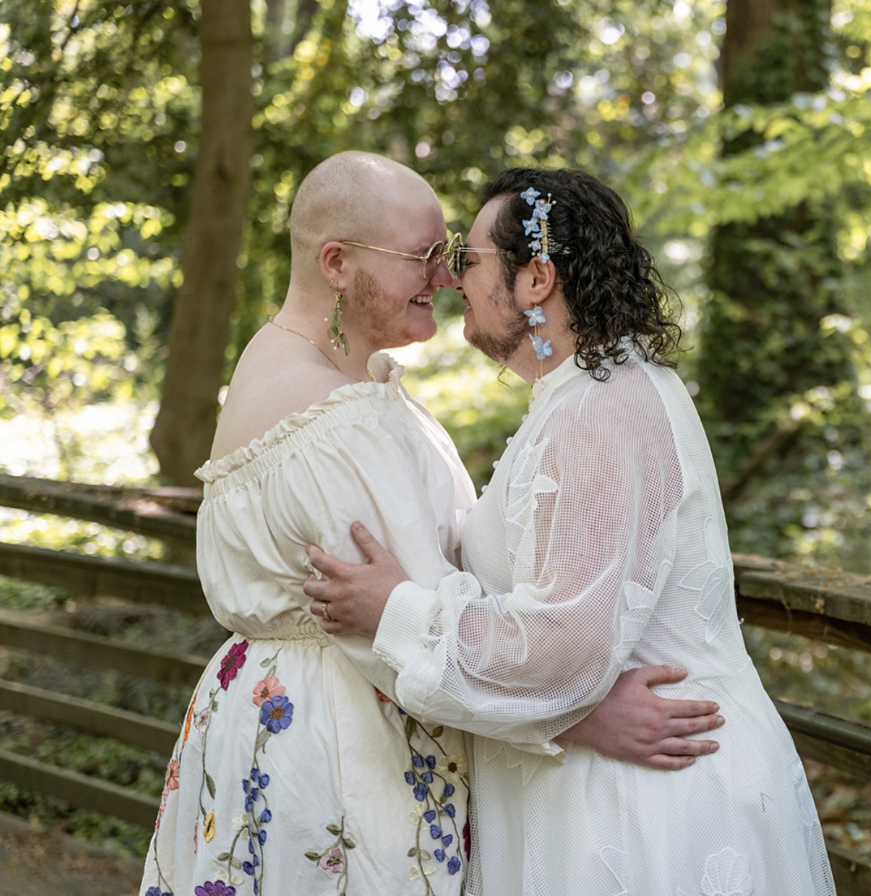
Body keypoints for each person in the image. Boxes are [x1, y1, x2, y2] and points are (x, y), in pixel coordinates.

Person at [140, 152, 721, 896]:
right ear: (338, 264)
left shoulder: (328, 377)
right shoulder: (330, 420)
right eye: (423, 256)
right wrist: (579, 716)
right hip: (339, 749)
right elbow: (393, 617)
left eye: (452, 255)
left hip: (316, 721)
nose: (446, 278)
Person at [304, 167, 837, 896]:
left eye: (470, 260)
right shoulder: (586, 392)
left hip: (648, 804)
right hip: (606, 780)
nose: (454, 279)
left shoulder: (599, 410)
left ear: (536, 279)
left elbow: (564, 648)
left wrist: (394, 610)